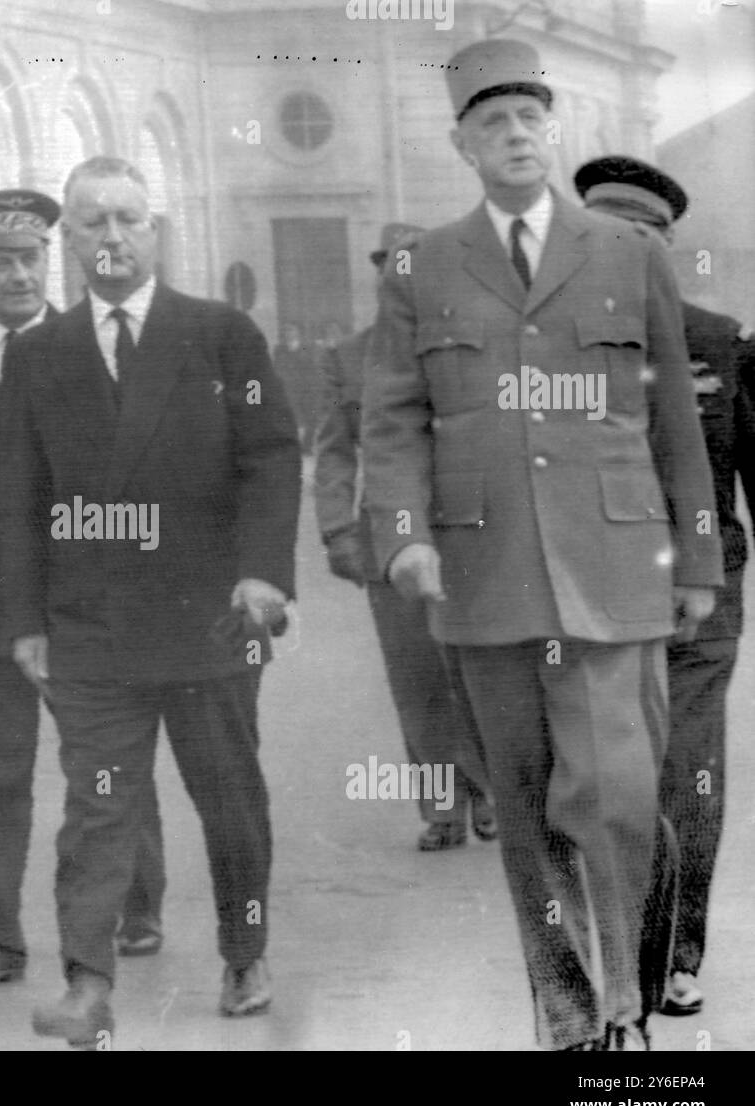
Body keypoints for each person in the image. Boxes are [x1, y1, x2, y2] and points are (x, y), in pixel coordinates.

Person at [360, 39, 722, 1052]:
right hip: (485, 577)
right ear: (462, 145)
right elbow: (392, 422)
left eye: (527, 119)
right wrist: (399, 540)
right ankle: (565, 1015)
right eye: (491, 124)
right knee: (524, 809)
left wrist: (695, 561)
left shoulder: (626, 253)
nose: (513, 136)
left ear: (550, 131)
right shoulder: (419, 266)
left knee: (614, 798)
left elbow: (673, 429)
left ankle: (623, 1006)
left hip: (613, 568)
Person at [1, 156, 300, 1046]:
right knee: (97, 806)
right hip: (92, 627)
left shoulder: (220, 335)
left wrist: (262, 573)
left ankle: (244, 949)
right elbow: (18, 494)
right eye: (91, 223)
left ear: (156, 231)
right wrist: (24, 620)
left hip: (210, 618)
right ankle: (88, 986)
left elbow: (270, 457)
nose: (112, 238)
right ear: (70, 240)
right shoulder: (38, 352)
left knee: (229, 794)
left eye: (128, 219)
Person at [0, 188, 167, 989]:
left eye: (29, 259)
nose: (17, 275)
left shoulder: (92, 346)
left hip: (83, 600)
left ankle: (137, 901)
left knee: (105, 761)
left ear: (48, 261)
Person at [575, 154, 755, 1019]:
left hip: (701, 590)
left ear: (666, 247)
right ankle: (613, 957)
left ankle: (676, 954)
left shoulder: (717, 338)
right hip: (583, 597)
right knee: (602, 780)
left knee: (689, 772)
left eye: (639, 237)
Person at [315, 224, 494, 852]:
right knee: (416, 678)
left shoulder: (473, 346)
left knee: (477, 670)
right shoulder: (348, 357)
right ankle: (442, 807)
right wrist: (337, 529)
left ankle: (489, 786)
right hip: (389, 541)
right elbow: (335, 455)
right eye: (394, 267)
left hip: (476, 536)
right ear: (380, 275)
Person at [273, 322, 318, 449]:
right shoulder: (279, 349)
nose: (288, 333)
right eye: (286, 330)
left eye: (291, 330)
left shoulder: (308, 348)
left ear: (298, 332)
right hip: (288, 388)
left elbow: (312, 368)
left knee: (310, 417)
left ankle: (307, 446)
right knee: (290, 417)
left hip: (306, 388)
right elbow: (277, 368)